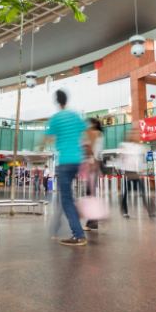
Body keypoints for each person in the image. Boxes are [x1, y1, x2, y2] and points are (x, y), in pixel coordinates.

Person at [42, 90, 87, 247]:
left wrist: (42, 145)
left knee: (66, 198)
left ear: (57, 100)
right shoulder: (75, 115)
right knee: (69, 197)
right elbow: (84, 134)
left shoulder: (55, 118)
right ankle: (74, 229)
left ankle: (78, 234)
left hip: (65, 162)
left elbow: (47, 138)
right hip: (78, 160)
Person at [119, 129, 156, 219]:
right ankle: (124, 211)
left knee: (143, 191)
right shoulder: (124, 145)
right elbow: (122, 157)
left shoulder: (139, 147)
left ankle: (151, 211)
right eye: (131, 135)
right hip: (128, 172)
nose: (133, 136)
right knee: (125, 193)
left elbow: (140, 159)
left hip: (135, 173)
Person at [83, 117, 105, 231]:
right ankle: (93, 221)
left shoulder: (95, 134)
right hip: (94, 165)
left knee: (90, 194)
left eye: (89, 123)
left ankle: (94, 219)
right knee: (91, 193)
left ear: (95, 124)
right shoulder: (99, 134)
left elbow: (90, 149)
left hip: (92, 165)